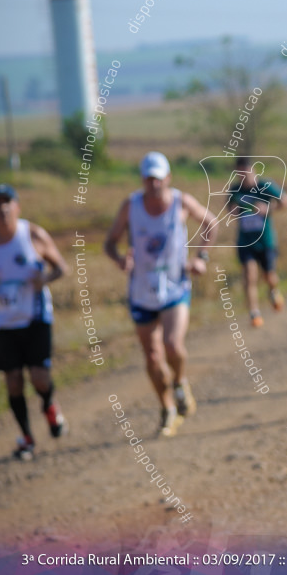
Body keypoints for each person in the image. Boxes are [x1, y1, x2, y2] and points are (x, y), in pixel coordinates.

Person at [104, 152, 218, 437]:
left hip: (175, 286)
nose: (154, 183)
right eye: (148, 178)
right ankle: (167, 408)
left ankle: (179, 384)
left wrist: (201, 257)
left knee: (171, 345)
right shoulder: (131, 206)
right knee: (152, 357)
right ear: (143, 180)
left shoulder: (181, 202)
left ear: (168, 178)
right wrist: (120, 259)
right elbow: (110, 242)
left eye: (158, 178)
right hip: (142, 290)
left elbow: (211, 223)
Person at [0, 184, 69, 460]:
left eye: (7, 202)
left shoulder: (32, 235)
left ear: (17, 206)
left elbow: (62, 268)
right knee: (12, 382)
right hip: (3, 322)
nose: (2, 208)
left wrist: (43, 280)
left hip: (36, 317)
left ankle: (50, 406)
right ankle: (27, 437)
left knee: (39, 377)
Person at [224, 156, 287, 328]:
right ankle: (255, 313)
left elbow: (285, 201)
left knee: (269, 276)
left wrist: (268, 209)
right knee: (249, 275)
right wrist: (234, 211)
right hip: (245, 241)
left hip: (266, 241)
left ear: (252, 170)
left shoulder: (265, 186)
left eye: (245, 172)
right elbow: (229, 209)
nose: (243, 177)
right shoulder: (235, 190)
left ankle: (274, 292)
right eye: (239, 173)